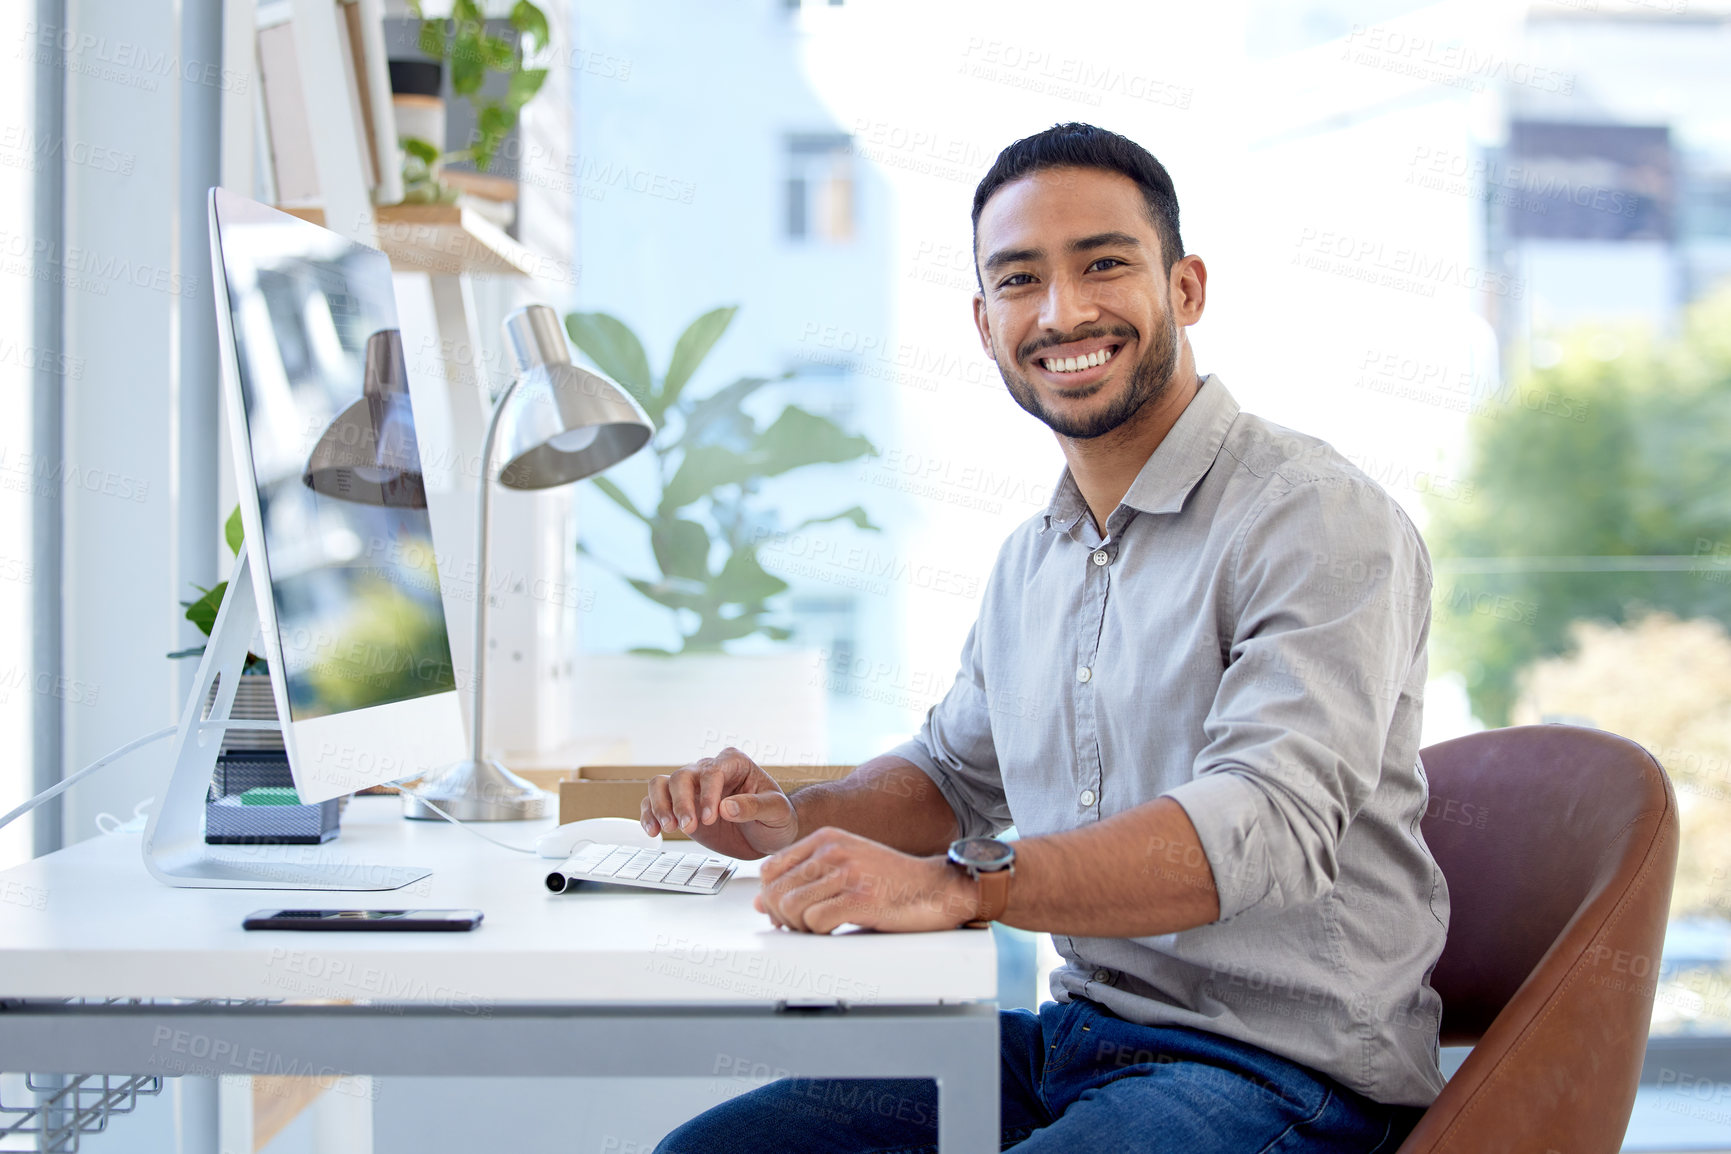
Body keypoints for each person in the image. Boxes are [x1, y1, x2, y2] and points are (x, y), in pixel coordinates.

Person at [650, 122, 1446, 1154]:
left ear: (1187, 287)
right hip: (1077, 1042)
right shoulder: (1036, 557)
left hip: (1285, 1069)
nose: (1063, 310)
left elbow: (1267, 816)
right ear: (986, 325)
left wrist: (960, 882)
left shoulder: (1314, 516)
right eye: (1021, 280)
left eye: (1103, 264)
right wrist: (792, 818)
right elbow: (950, 771)